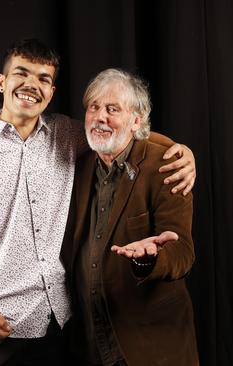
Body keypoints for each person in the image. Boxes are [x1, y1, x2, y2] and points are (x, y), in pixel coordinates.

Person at [0, 39, 196, 365]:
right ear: (2, 82)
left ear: (51, 91)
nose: (32, 85)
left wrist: (180, 150)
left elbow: (119, 132)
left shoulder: (64, 134)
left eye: (44, 79)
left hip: (55, 331)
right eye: (22, 73)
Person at [61, 69, 199, 366]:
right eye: (94, 107)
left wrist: (150, 258)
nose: (100, 117)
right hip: (88, 347)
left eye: (112, 109)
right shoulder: (78, 165)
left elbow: (182, 252)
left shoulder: (167, 166)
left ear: (136, 121)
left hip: (149, 349)